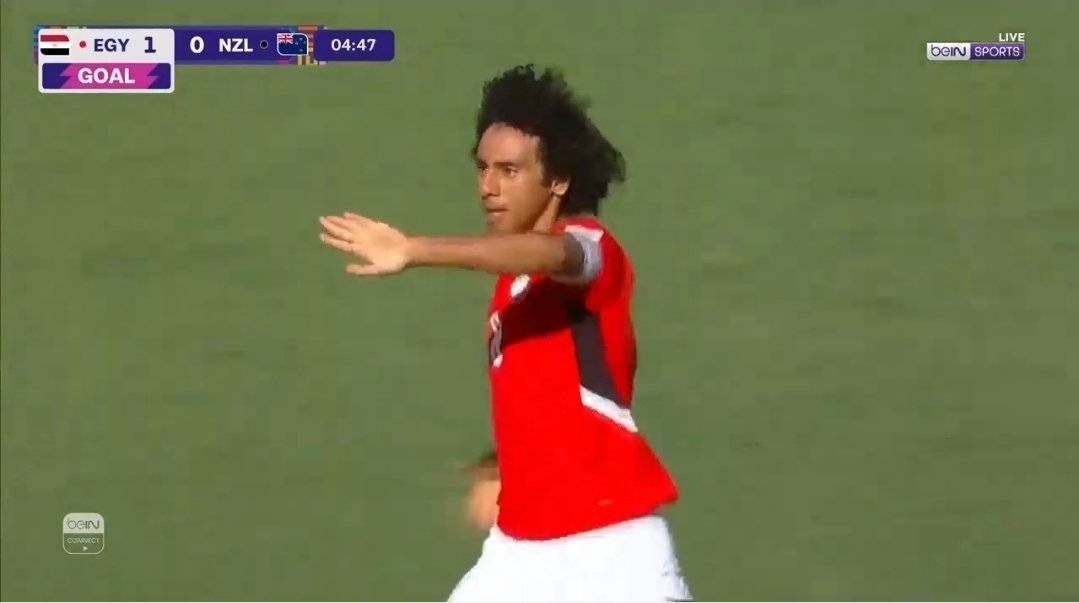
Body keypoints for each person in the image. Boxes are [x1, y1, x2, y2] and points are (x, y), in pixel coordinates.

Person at [319, 64, 692, 602]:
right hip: (518, 551)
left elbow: (553, 253)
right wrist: (504, 464)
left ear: (558, 179)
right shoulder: (511, 291)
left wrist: (414, 250)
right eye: (483, 168)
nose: (488, 187)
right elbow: (550, 399)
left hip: (611, 550)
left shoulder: (591, 248)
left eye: (510, 171)